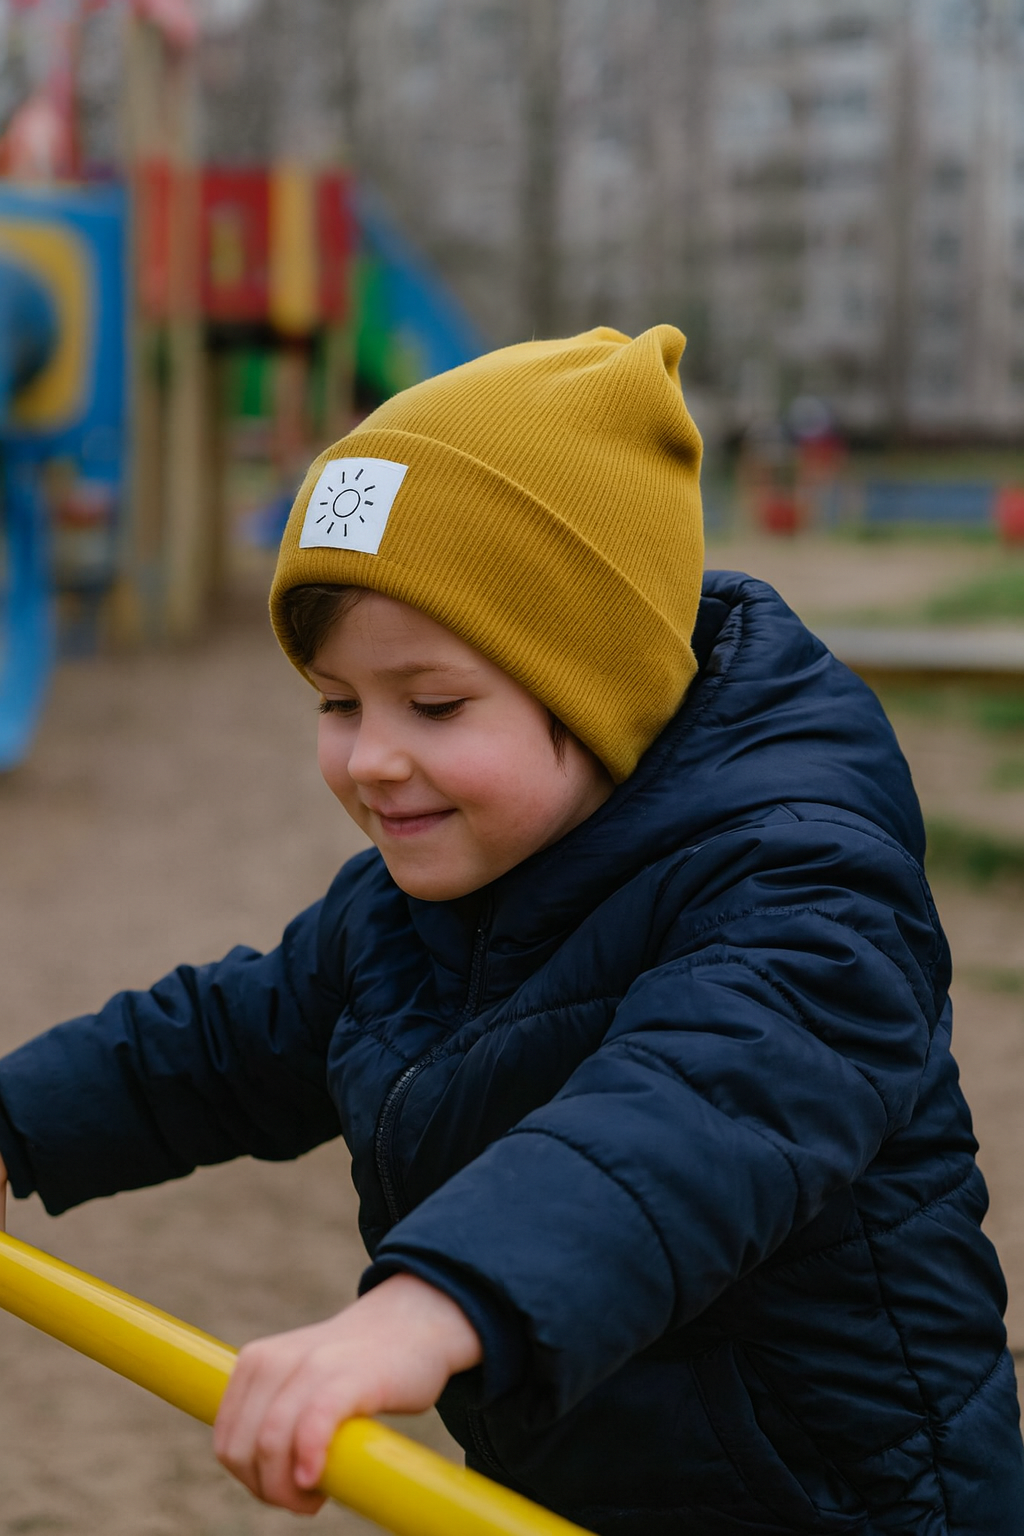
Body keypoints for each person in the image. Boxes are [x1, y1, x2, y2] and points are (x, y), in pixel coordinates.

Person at [0, 326, 1021, 1535]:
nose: (372, 758)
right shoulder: (406, 905)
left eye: (432, 704)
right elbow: (220, 1041)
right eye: (337, 703)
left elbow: (684, 1119)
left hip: (849, 1506)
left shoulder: (807, 894)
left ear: (599, 687)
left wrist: (429, 1309)